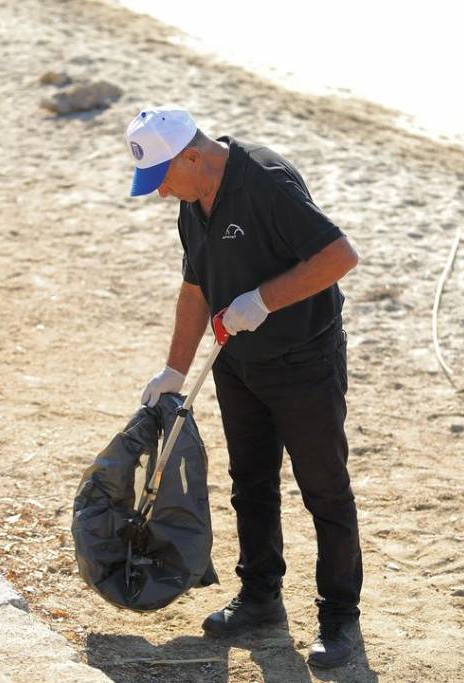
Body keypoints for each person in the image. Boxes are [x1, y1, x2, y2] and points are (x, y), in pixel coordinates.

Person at [126, 106, 363, 669]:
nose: (160, 194)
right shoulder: (192, 200)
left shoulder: (266, 182)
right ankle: (261, 597)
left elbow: (338, 256)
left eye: (161, 178)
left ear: (191, 155)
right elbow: (194, 289)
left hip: (303, 359)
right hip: (237, 361)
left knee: (323, 489)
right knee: (250, 483)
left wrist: (262, 300)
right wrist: (174, 372)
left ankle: (339, 617)